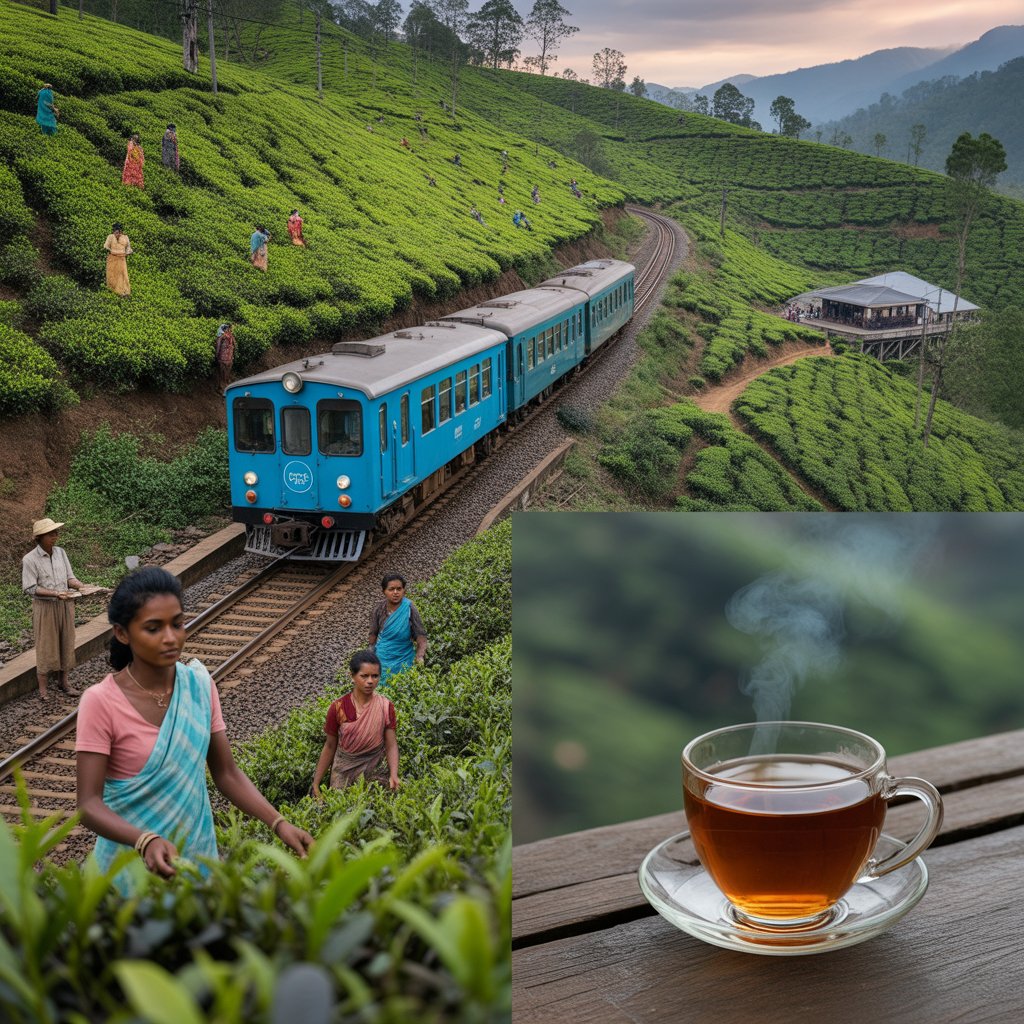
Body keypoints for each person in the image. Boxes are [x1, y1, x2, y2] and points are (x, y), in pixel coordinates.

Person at [76, 567, 313, 895]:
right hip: (125, 875)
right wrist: (143, 840)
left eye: (177, 623)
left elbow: (226, 773)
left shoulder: (199, 685)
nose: (171, 637)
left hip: (195, 865)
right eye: (153, 628)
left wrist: (278, 822)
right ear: (122, 633)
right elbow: (88, 804)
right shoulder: (100, 702)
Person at [22, 518, 97, 699]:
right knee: (46, 645)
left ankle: (64, 682)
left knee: (66, 642)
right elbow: (30, 588)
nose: (56, 536)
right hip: (45, 608)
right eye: (51, 534)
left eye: (56, 533)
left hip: (65, 605)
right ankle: (43, 690)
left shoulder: (61, 553)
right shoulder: (30, 559)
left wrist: (80, 586)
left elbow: (69, 578)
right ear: (40, 537)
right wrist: (55, 593)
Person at [310, 651, 400, 796]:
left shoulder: (385, 707)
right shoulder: (338, 707)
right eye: (364, 676)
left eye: (375, 676)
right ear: (352, 676)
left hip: (374, 767)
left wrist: (394, 774)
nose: (370, 681)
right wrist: (316, 783)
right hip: (343, 771)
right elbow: (330, 745)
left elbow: (391, 744)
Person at [369, 574, 427, 683]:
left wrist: (419, 656)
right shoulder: (378, 609)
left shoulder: (409, 608)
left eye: (399, 589)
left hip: (404, 657)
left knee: (403, 687)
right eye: (391, 589)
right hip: (383, 657)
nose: (395, 592)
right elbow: (373, 634)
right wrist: (370, 655)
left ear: (404, 591)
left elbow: (421, 636)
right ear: (384, 591)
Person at [103, 222, 133, 296]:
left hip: (122, 258)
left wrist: (127, 253)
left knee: (122, 274)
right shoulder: (110, 236)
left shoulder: (125, 237)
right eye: (115, 230)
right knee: (112, 274)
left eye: (118, 230)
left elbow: (129, 248)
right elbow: (106, 246)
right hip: (112, 258)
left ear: (121, 230)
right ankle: (113, 290)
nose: (117, 231)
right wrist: (111, 251)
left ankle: (123, 291)